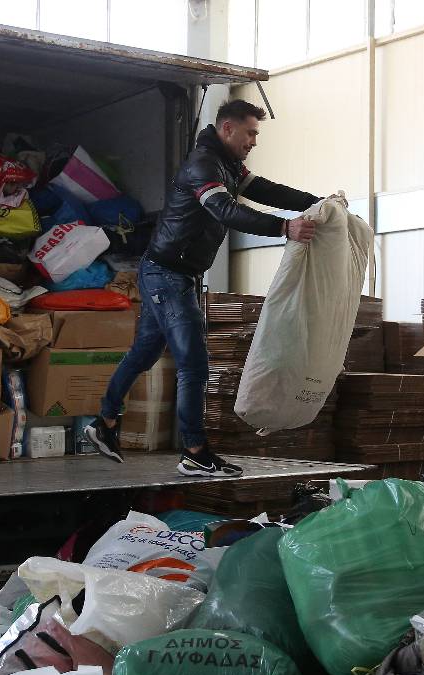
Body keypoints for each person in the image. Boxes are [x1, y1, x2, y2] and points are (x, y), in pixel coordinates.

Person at [85, 99, 320, 477]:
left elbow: (267, 191)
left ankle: (105, 422)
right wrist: (283, 229)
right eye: (250, 133)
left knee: (144, 354)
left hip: (176, 274)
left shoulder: (227, 164)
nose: (254, 142)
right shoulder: (203, 165)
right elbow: (225, 211)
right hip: (167, 275)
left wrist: (315, 202)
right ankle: (194, 449)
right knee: (194, 363)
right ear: (227, 129)